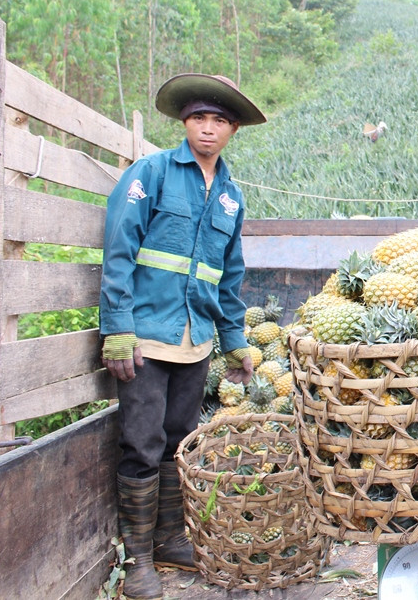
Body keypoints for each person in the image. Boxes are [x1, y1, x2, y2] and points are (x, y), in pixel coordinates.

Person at [99, 73, 265, 600]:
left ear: (233, 129)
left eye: (219, 121)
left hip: (195, 342)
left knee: (176, 443)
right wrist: (118, 328)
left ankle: (171, 538)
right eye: (198, 118)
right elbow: (119, 251)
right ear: (184, 123)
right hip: (147, 338)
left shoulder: (231, 198)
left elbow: (230, 276)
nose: (208, 129)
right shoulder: (150, 174)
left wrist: (234, 338)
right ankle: (138, 562)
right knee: (141, 446)